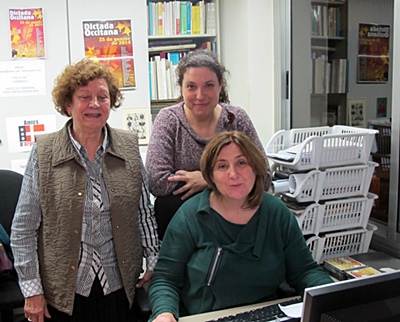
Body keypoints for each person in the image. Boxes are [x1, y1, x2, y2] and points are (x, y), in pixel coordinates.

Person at [10, 59, 160, 322]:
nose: (94, 104)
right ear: (68, 104)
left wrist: (154, 260)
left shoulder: (128, 148)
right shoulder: (44, 153)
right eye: (84, 97)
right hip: (64, 290)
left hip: (119, 282)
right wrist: (32, 290)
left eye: (102, 97)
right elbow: (23, 228)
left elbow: (143, 213)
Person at [148, 131, 333, 322]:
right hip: (206, 316)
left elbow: (305, 271)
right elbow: (165, 279)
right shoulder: (190, 216)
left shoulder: (276, 213)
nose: (233, 174)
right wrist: (164, 313)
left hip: (266, 314)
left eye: (241, 163)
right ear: (210, 175)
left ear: (255, 167)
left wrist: (333, 301)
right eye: (222, 166)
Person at [145, 50, 272, 239]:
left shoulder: (236, 119)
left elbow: (264, 177)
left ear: (221, 86)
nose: (200, 95)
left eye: (209, 85)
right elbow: (156, 182)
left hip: (238, 225)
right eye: (191, 86)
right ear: (181, 88)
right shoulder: (168, 120)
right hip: (183, 228)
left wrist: (206, 179)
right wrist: (228, 183)